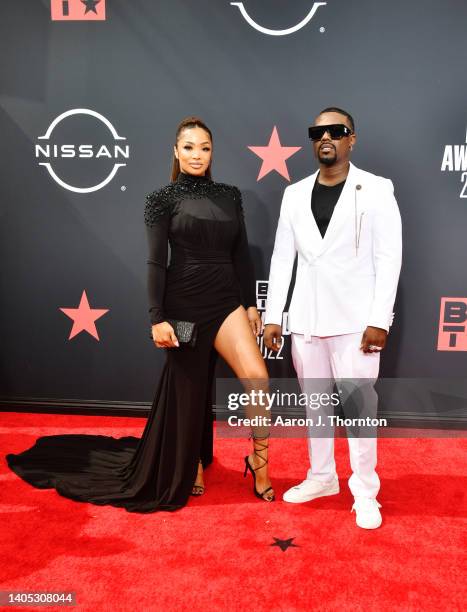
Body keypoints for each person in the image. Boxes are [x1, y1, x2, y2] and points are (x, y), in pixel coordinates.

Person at [6, 116, 274, 512]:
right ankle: (191, 464)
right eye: (189, 147)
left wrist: (251, 304)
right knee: (191, 388)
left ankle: (260, 463)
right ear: (176, 150)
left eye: (204, 147)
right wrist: (157, 317)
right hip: (182, 305)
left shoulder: (230, 195)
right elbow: (155, 262)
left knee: (257, 376)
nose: (197, 155)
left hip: (225, 302)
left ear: (212, 152)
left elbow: (239, 254)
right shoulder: (161, 199)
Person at [263, 107, 402, 529]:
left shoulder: (376, 189)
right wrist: (274, 316)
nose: (326, 138)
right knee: (316, 407)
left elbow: (389, 257)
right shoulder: (294, 193)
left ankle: (365, 491)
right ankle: (322, 477)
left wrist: (380, 318)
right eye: (317, 132)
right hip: (306, 320)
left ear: (351, 138)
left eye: (336, 131)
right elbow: (282, 257)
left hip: (357, 323)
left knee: (359, 408)